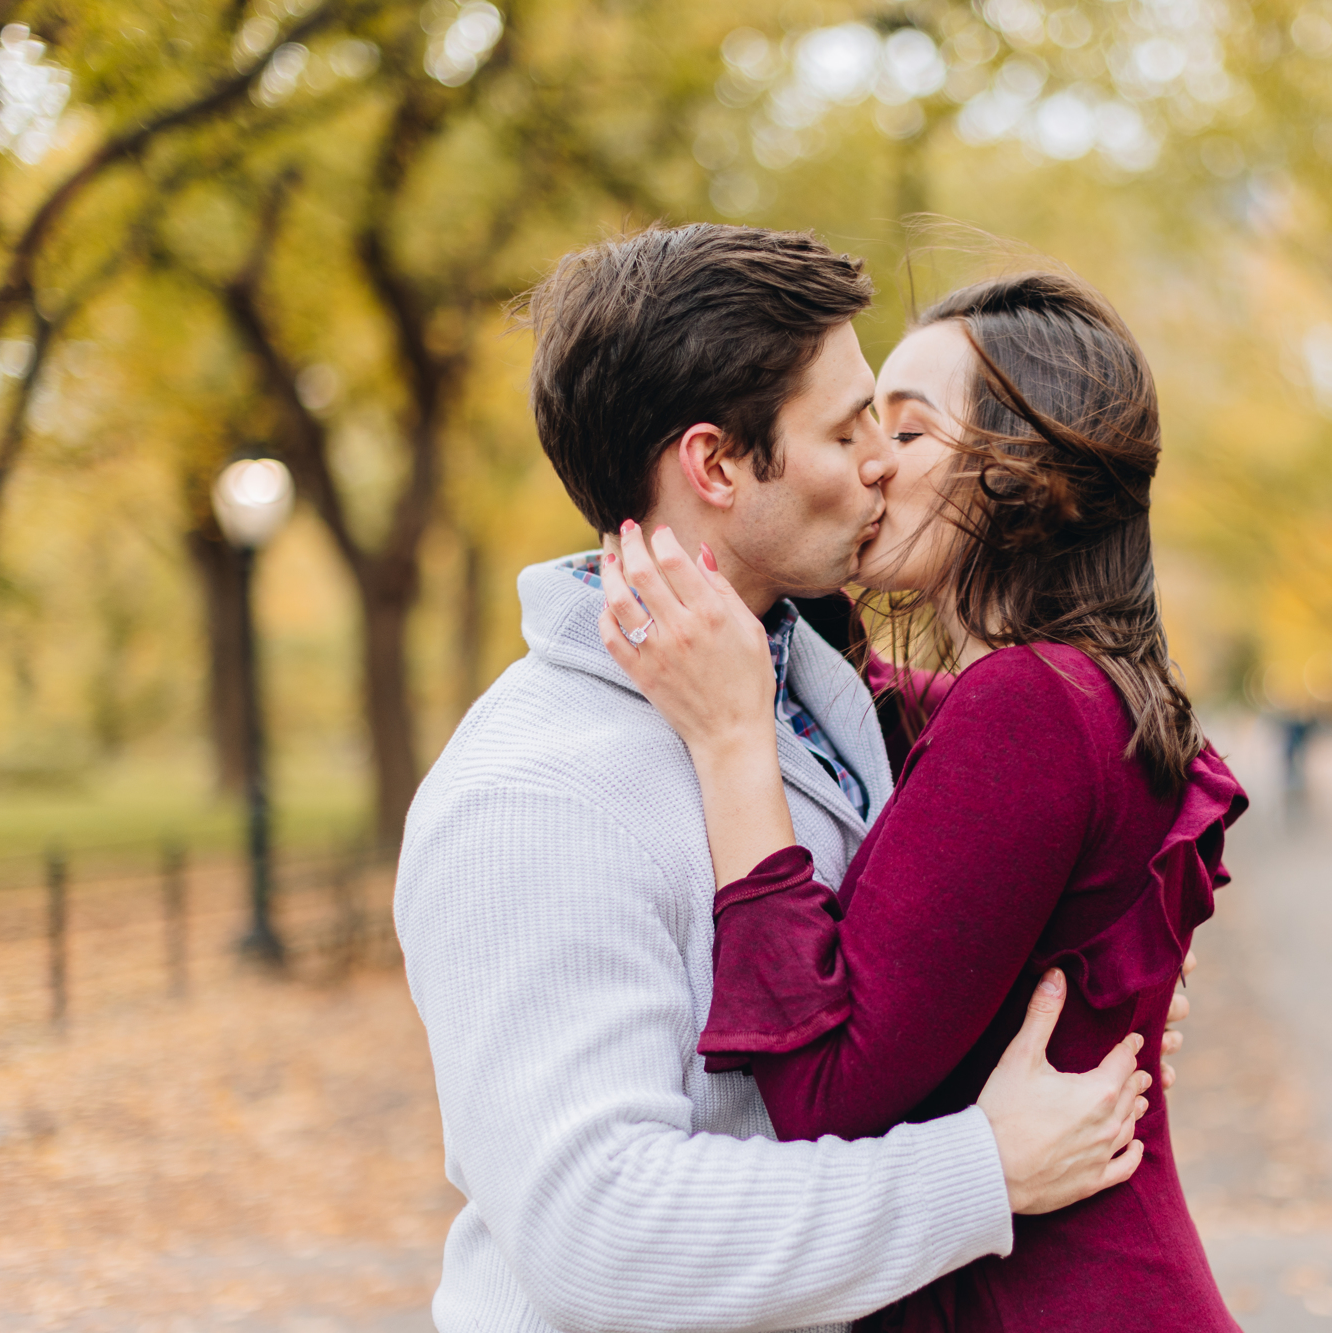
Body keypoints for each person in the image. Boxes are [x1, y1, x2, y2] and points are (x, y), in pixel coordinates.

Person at [395, 225, 1166, 1333]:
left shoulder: (805, 689)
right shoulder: (534, 794)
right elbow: (599, 1232)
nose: (880, 463)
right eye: (850, 427)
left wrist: (1083, 987)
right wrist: (978, 1171)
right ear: (714, 465)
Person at [598, 270, 1249, 1330]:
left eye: (905, 430)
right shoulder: (1070, 688)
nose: (868, 463)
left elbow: (823, 1094)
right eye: (858, 426)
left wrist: (732, 745)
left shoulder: (1028, 703)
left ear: (1030, 478)